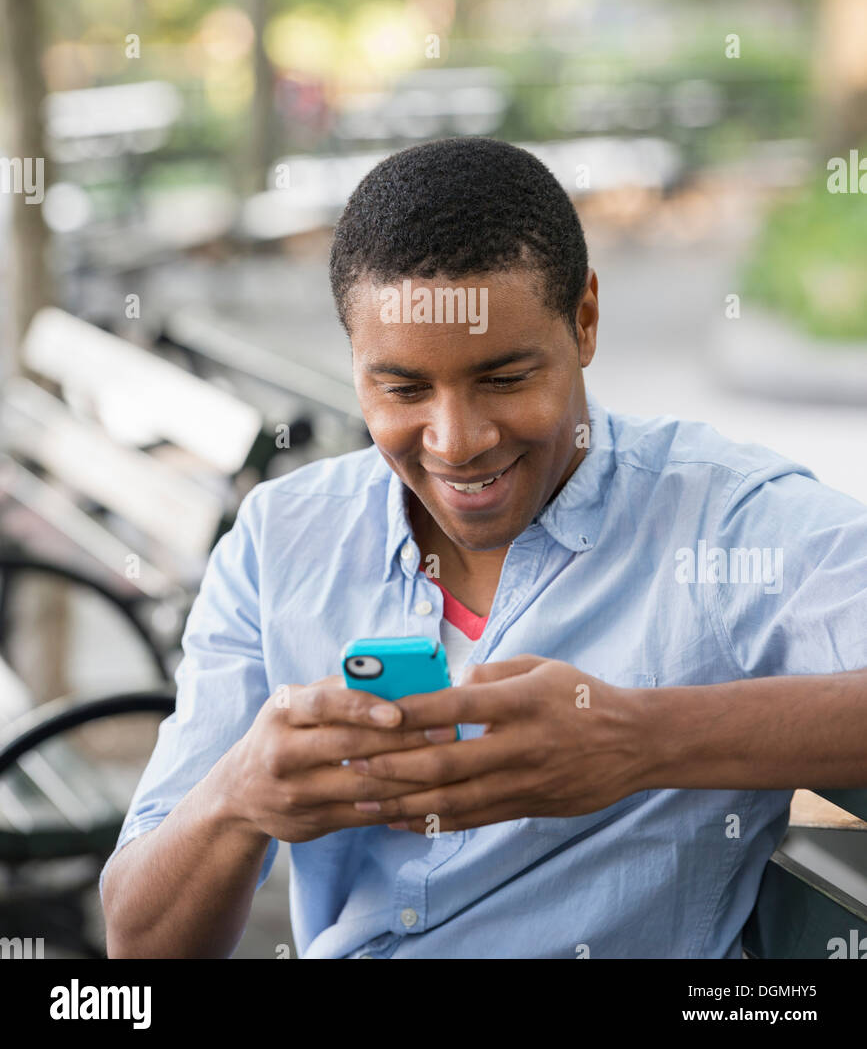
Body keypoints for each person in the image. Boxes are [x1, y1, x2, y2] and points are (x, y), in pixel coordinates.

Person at [101, 137, 867, 959]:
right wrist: (234, 800)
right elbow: (141, 948)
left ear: (584, 320)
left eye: (503, 379)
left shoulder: (723, 521)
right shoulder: (279, 538)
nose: (456, 442)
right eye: (401, 389)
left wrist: (638, 740)